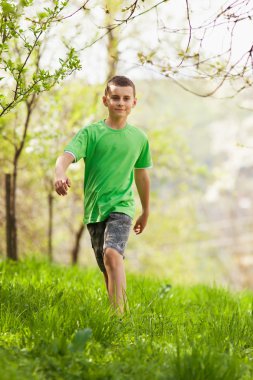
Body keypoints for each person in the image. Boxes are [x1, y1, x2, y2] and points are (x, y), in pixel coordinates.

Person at [54, 76, 152, 314]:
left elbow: (141, 176)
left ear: (134, 102)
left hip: (122, 207)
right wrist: (59, 173)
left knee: (112, 254)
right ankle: (114, 315)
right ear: (105, 100)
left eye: (126, 98)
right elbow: (66, 156)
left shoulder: (139, 138)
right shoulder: (91, 133)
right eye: (115, 97)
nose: (121, 102)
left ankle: (121, 318)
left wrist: (146, 210)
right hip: (95, 211)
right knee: (107, 265)